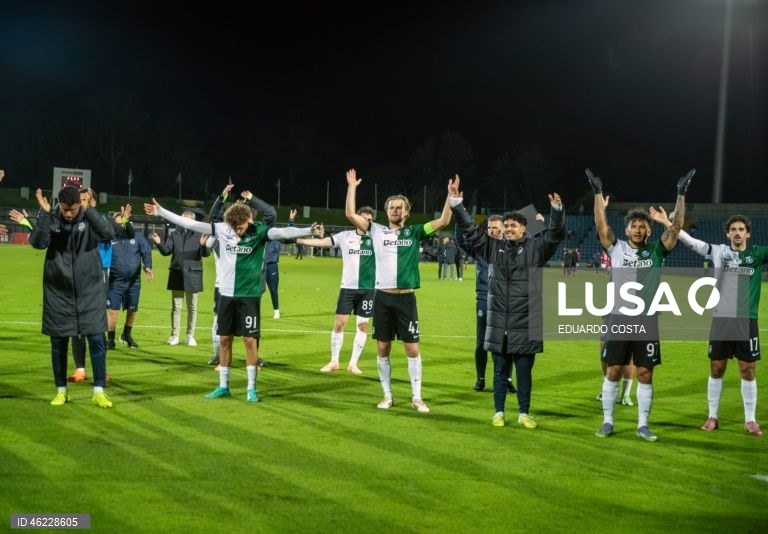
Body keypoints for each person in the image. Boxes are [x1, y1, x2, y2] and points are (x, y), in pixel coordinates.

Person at [145, 190, 320, 402]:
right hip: (226, 295)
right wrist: (161, 211)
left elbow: (282, 233)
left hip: (249, 297)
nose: (238, 231)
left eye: (242, 227)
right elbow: (189, 224)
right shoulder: (222, 228)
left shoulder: (260, 231)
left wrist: (308, 230)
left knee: (249, 341)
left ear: (249, 220)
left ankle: (251, 389)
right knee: (225, 339)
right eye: (235, 227)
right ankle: (223, 386)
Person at [589, 168, 691, 441]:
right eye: (633, 224)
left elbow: (677, 227)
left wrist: (681, 194)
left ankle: (643, 425)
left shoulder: (657, 250)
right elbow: (600, 225)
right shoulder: (616, 247)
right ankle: (608, 421)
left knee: (645, 372)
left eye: (643, 225)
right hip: (618, 317)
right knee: (612, 369)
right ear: (626, 229)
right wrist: (597, 193)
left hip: (645, 319)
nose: (638, 228)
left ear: (649, 229)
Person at [453, 184, 564, 428]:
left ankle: (524, 413)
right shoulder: (493, 248)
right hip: (499, 322)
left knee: (524, 373)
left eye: (514, 225)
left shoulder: (536, 248)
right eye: (507, 226)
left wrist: (556, 211)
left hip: (526, 320)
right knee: (500, 372)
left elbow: (555, 234)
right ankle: (498, 412)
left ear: (524, 228)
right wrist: (457, 206)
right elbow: (470, 231)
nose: (510, 229)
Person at [346, 169, 454, 413]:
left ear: (407, 211)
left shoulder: (414, 232)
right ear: (387, 211)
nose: (395, 210)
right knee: (383, 348)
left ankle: (417, 397)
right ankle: (387, 396)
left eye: (399, 207)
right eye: (392, 207)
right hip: (382, 298)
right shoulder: (376, 230)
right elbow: (350, 214)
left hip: (406, 299)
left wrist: (451, 197)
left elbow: (444, 221)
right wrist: (352, 187)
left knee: (412, 348)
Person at [652, 211, 767, 437]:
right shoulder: (718, 252)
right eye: (733, 229)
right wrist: (668, 223)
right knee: (716, 368)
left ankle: (750, 420)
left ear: (748, 234)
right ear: (727, 234)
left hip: (747, 320)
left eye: (741, 230)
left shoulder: (758, 254)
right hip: (722, 319)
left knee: (748, 370)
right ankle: (713, 416)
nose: (737, 233)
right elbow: (691, 242)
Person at [29, 186, 115, 408]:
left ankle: (98, 391)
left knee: (97, 340)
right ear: (59, 203)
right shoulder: (52, 216)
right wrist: (46, 214)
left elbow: (108, 234)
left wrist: (89, 212)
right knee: (58, 343)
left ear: (81, 204)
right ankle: (61, 391)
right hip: (58, 292)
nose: (68, 214)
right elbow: (38, 242)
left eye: (73, 209)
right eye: (65, 209)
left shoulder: (87, 216)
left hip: (90, 291)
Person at [297, 206, 376, 375]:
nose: (365, 222)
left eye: (369, 219)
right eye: (362, 218)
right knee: (339, 324)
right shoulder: (345, 236)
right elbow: (322, 242)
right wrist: (299, 240)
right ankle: (334, 361)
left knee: (362, 326)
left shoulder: (377, 239)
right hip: (347, 288)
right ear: (356, 219)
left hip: (369, 289)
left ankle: (353, 363)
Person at [206, 184, 277, 367]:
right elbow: (213, 218)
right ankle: (218, 357)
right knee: (220, 323)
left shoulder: (258, 231)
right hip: (224, 283)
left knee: (251, 330)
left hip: (252, 285)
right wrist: (222, 197)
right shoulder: (225, 230)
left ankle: (255, 357)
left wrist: (252, 197)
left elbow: (270, 213)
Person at [456, 214, 517, 394]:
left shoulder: (512, 248)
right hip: (484, 298)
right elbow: (461, 241)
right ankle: (480, 379)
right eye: (489, 228)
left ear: (504, 229)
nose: (491, 231)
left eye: (495, 228)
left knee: (507, 342)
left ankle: (507, 379)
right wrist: (459, 221)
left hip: (506, 301)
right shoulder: (480, 247)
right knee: (482, 341)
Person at [153, 211, 210, 346]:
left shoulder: (199, 234)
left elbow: (206, 254)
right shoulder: (174, 234)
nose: (184, 222)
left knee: (192, 307)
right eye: (182, 219)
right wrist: (159, 243)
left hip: (193, 275)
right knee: (176, 307)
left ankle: (190, 336)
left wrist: (203, 245)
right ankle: (175, 336)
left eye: (187, 220)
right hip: (177, 273)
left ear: (193, 221)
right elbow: (166, 251)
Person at [106, 205, 153, 350]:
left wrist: (147, 267)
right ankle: (110, 340)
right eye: (118, 223)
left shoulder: (137, 236)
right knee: (113, 311)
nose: (120, 225)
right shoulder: (110, 238)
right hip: (115, 281)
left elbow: (146, 252)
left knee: (132, 309)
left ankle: (126, 335)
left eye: (123, 222)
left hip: (134, 282)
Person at [263, 208, 295, 320]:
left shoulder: (277, 234)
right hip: (259, 265)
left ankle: (276, 310)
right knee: (255, 289)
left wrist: (291, 221)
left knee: (273, 289)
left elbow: (288, 234)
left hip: (272, 265)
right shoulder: (260, 232)